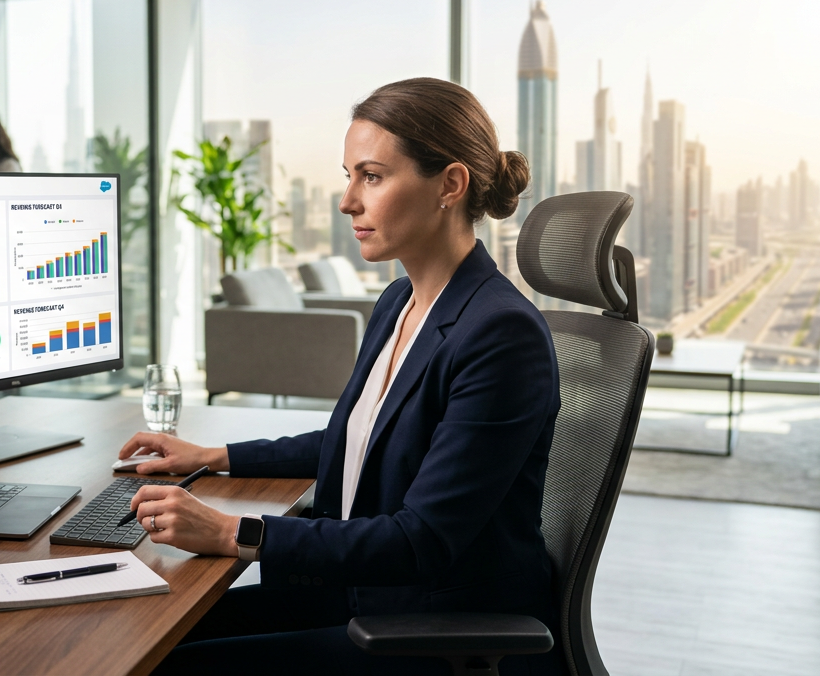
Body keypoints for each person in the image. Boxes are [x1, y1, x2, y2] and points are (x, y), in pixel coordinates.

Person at [119, 78, 565, 675]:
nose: (347, 200)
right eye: (349, 175)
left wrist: (232, 531)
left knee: (165, 663)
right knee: (150, 633)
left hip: (431, 628)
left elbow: (420, 541)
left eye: (372, 176)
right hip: (363, 590)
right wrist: (211, 454)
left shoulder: (500, 333)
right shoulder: (399, 302)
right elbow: (357, 440)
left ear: (450, 185)